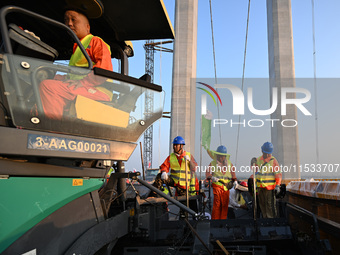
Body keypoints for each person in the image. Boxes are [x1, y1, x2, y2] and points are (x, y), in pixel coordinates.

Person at [39, 8, 113, 119]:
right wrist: (58, 77)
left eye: (74, 20)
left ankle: (51, 130)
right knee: (44, 83)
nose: (69, 23)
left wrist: (84, 82)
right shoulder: (78, 48)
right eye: (66, 20)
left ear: (87, 27)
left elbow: (105, 69)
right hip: (83, 86)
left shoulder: (95, 42)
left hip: (99, 89)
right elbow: (75, 75)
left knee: (48, 87)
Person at [159, 136, 199, 214]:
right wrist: (164, 172)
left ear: (181, 146)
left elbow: (194, 168)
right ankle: (154, 194)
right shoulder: (171, 157)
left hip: (186, 186)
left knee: (189, 208)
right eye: (174, 145)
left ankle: (194, 221)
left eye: (176, 145)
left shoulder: (188, 155)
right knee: (158, 177)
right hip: (175, 182)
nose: (174, 146)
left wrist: (189, 161)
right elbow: (164, 165)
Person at [251, 142, 282, 218]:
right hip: (260, 187)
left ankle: (271, 222)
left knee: (270, 206)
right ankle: (265, 221)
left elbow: (278, 174)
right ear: (262, 151)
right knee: (262, 205)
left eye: (269, 153)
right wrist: (252, 164)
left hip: (270, 188)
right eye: (266, 153)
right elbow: (255, 171)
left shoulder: (273, 161)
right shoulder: (258, 160)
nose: (268, 155)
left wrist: (277, 185)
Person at [205, 145, 237, 220]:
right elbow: (207, 174)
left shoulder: (229, 164)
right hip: (217, 186)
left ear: (225, 156)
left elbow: (233, 174)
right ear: (217, 155)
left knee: (225, 205)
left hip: (226, 188)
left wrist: (235, 181)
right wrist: (211, 177)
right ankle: (215, 222)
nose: (220, 158)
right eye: (219, 156)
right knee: (217, 205)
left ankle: (222, 222)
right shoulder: (212, 163)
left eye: (222, 156)